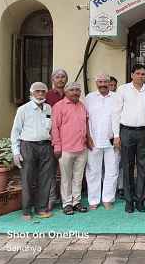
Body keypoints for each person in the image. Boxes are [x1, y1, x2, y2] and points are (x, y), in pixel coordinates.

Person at [113, 64, 145, 213]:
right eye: (137, 73)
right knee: (127, 166)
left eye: (143, 74)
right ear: (132, 75)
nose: (140, 76)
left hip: (144, 132)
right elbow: (116, 113)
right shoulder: (123, 89)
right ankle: (129, 201)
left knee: (143, 167)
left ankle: (140, 200)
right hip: (126, 132)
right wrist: (116, 135)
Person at [10, 82, 55, 220]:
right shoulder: (23, 109)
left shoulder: (49, 108)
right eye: (37, 91)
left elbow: (52, 128)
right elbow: (15, 132)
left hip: (46, 146)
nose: (40, 94)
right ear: (31, 93)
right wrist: (16, 152)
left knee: (45, 178)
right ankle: (26, 211)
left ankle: (41, 208)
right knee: (28, 179)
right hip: (28, 146)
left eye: (43, 91)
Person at [52, 82, 93, 215]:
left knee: (78, 177)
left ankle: (76, 202)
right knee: (66, 178)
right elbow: (55, 128)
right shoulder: (59, 106)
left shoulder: (82, 106)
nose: (75, 92)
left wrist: (88, 139)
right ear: (66, 92)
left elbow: (86, 124)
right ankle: (67, 203)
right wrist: (57, 146)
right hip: (66, 149)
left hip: (82, 148)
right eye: (72, 90)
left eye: (78, 90)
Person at [85, 74, 119, 211]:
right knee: (93, 171)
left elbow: (119, 117)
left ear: (109, 83)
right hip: (94, 140)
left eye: (105, 81)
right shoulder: (89, 98)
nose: (103, 84)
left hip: (113, 140)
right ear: (96, 83)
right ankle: (93, 200)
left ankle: (107, 199)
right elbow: (85, 119)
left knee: (112, 171)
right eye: (100, 81)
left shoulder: (116, 97)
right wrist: (88, 137)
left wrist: (118, 136)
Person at [45, 68, 68, 210]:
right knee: (51, 170)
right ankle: (52, 198)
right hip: (51, 139)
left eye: (63, 77)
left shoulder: (70, 94)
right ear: (53, 79)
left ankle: (66, 198)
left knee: (66, 171)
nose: (60, 79)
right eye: (58, 77)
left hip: (68, 139)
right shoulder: (47, 95)